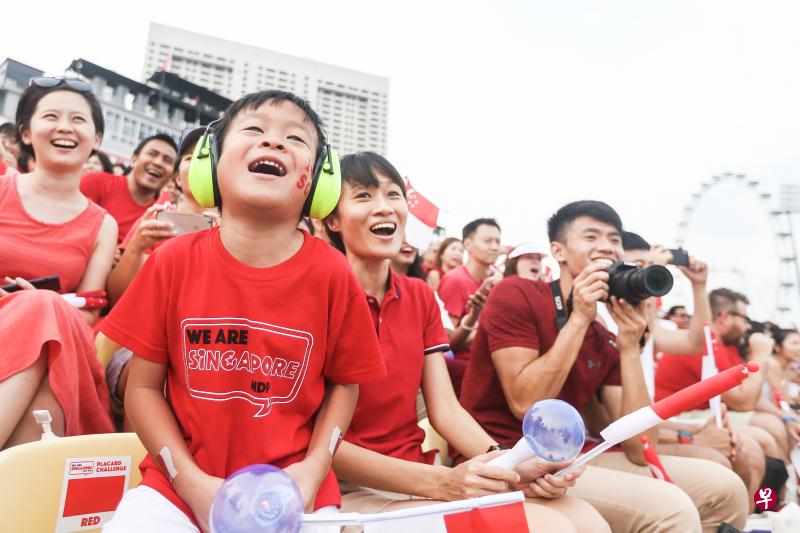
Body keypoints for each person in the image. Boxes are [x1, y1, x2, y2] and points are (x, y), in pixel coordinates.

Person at [100, 90, 386, 532]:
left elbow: (344, 387)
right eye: (254, 130)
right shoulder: (172, 260)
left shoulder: (333, 273)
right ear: (210, 163)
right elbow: (142, 391)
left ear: (318, 181)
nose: (273, 142)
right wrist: (190, 483)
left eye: (295, 138)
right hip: (175, 490)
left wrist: (312, 471)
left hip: (292, 492)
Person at [325, 152, 608, 533]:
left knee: (585, 521)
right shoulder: (320, 294)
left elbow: (446, 409)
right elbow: (320, 443)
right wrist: (444, 483)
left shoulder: (420, 296)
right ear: (331, 218)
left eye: (393, 195)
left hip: (422, 478)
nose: (384, 207)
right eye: (363, 196)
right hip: (350, 490)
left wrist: (506, 462)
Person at [460, 200, 748, 532]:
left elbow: (642, 447)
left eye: (613, 239)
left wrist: (629, 346)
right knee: (671, 510)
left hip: (574, 458)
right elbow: (526, 403)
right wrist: (579, 318)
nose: (606, 246)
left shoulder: (603, 334)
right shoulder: (519, 293)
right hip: (506, 456)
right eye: (591, 236)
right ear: (559, 251)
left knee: (726, 489)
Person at [0, 77, 117, 448]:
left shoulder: (103, 223)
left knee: (46, 316)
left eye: (79, 120)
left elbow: (88, 312)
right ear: (27, 133)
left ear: (96, 138)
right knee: (43, 311)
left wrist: (38, 306)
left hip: (58, 345)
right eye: (51, 116)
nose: (65, 127)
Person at [438, 219, 501, 394]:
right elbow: (446, 343)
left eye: (498, 241)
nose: (495, 247)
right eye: (488, 241)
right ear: (468, 244)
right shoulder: (455, 280)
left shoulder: (496, 281)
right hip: (465, 373)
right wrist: (485, 328)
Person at [81, 133, 178, 243]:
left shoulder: (165, 215)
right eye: (152, 154)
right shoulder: (95, 182)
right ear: (133, 159)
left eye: (168, 160)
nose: (158, 163)